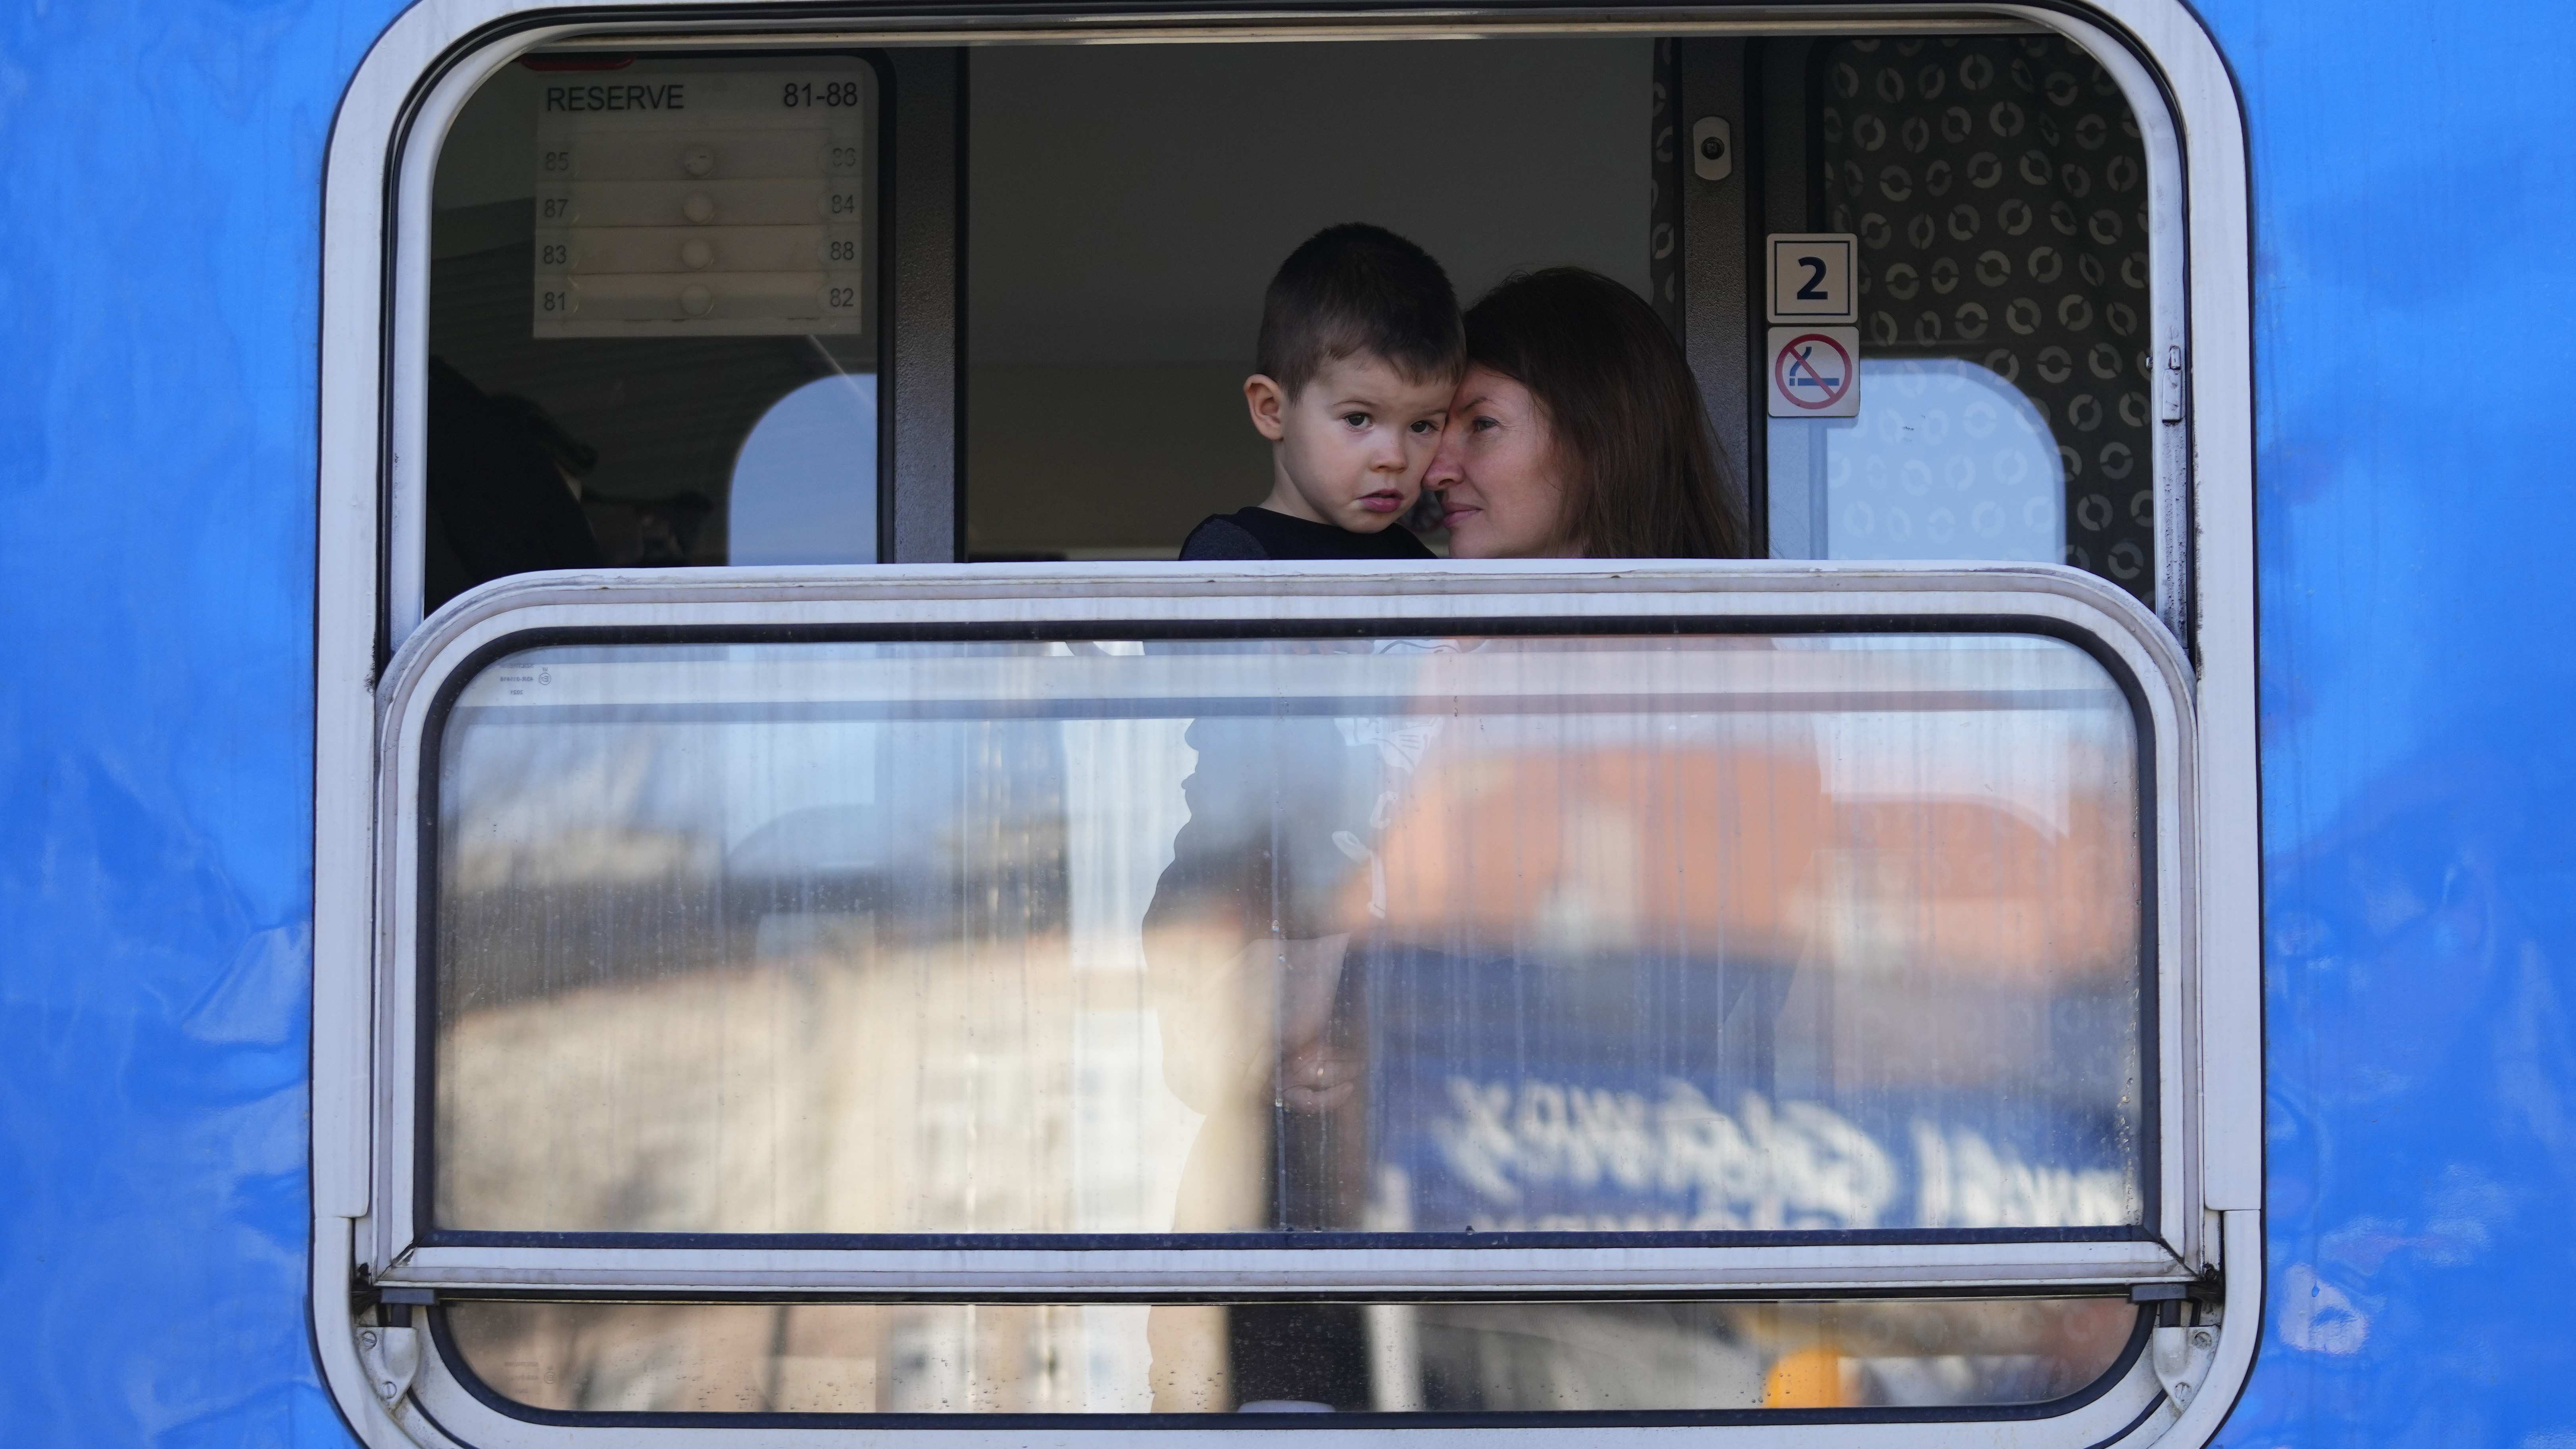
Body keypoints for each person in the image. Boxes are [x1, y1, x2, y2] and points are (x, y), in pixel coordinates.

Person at [1177, 224, 1463, 561]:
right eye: (1358, 419)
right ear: (1271, 410)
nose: (1395, 459)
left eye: (1422, 426)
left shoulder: (1418, 564)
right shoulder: (1231, 553)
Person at [1426, 267, 1747, 560]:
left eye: (1483, 424)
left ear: (1602, 437)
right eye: (1430, 426)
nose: (1434, 474)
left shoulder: (1735, 607)